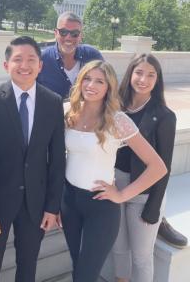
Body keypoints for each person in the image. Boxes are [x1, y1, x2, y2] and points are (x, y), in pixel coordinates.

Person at [60, 60, 167, 282]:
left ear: (109, 87)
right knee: (77, 265)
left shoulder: (117, 120)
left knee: (85, 275)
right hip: (69, 200)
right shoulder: (69, 112)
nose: (91, 85)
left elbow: (158, 167)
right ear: (79, 82)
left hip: (100, 206)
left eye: (99, 81)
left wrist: (121, 195)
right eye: (87, 79)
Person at [0, 36, 65, 282]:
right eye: (18, 59)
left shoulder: (53, 102)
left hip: (36, 204)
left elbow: (57, 159)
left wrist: (52, 206)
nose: (25, 65)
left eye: (31, 60)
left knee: (28, 268)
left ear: (40, 65)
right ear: (6, 65)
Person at [112, 53, 179, 281]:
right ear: (130, 73)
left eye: (151, 75)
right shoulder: (115, 106)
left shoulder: (164, 116)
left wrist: (154, 207)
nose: (144, 79)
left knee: (141, 256)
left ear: (157, 79)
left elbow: (164, 167)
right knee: (119, 249)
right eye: (139, 72)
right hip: (115, 185)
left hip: (144, 193)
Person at [37, 11, 103, 99]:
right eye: (63, 32)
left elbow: (108, 84)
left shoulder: (92, 56)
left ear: (81, 36)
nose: (68, 37)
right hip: (51, 113)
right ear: (56, 33)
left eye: (74, 33)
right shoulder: (42, 59)